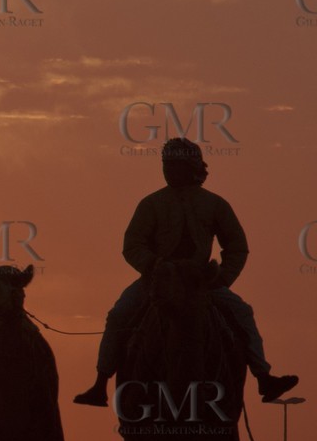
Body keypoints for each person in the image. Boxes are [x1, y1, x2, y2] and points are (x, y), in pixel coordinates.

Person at [73, 137, 298, 406]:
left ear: (191, 168)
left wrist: (222, 279)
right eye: (166, 165)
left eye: (175, 165)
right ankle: (100, 384)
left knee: (242, 312)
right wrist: (153, 266)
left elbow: (236, 246)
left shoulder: (215, 205)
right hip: (156, 280)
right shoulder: (151, 204)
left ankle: (264, 377)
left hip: (201, 282)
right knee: (119, 314)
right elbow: (132, 244)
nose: (168, 171)